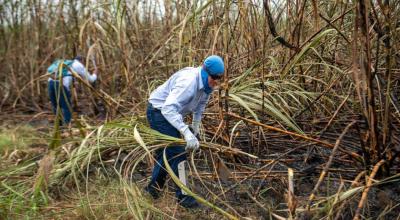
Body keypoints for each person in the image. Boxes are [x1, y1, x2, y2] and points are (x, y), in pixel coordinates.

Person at [145, 55, 224, 208]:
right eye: (214, 77)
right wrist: (186, 132)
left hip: (171, 113)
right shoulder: (188, 82)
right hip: (158, 112)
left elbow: (200, 106)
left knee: (166, 153)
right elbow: (168, 108)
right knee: (178, 153)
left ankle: (152, 190)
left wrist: (194, 127)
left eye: (219, 78)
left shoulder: (207, 85)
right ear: (206, 72)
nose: (216, 82)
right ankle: (184, 199)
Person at [47, 55, 98, 125]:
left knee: (56, 106)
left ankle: (59, 126)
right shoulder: (78, 65)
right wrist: (95, 74)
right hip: (61, 85)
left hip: (50, 83)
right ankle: (67, 126)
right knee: (66, 107)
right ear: (82, 61)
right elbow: (91, 79)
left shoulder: (65, 62)